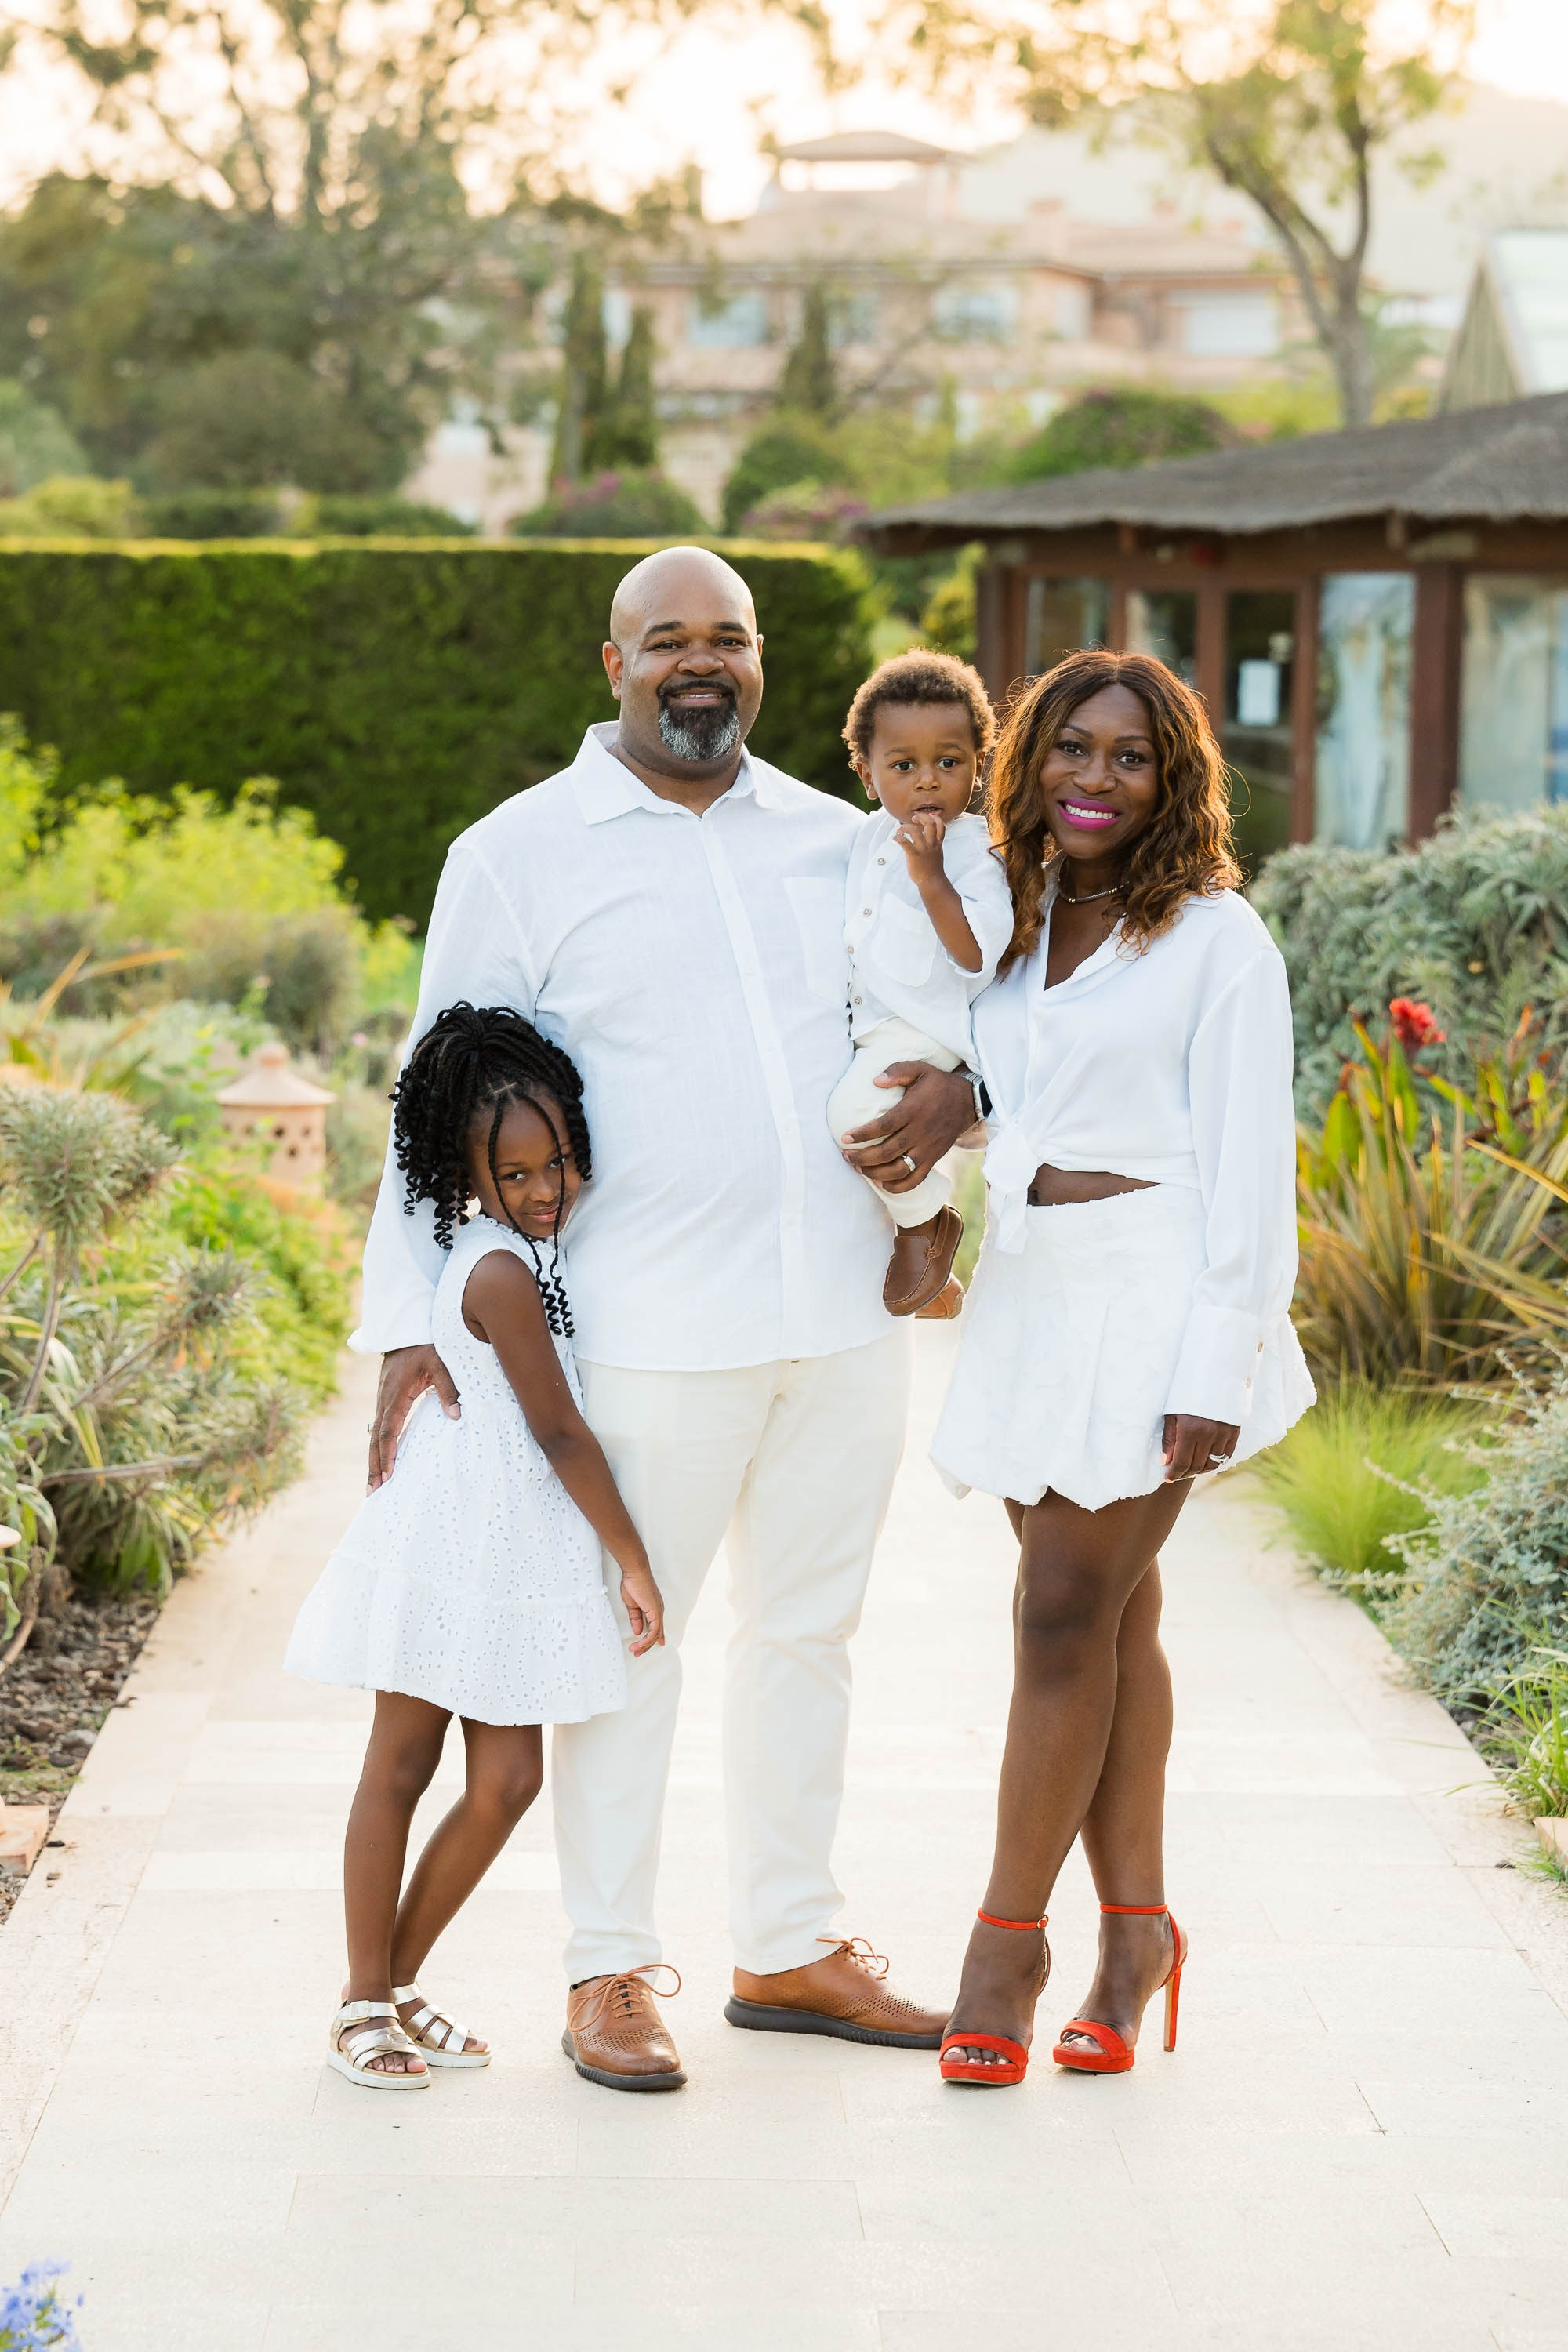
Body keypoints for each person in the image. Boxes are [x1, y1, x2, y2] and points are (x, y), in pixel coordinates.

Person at [357, 549, 981, 2091]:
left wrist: (953, 1154)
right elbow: (434, 1106)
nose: (699, 665)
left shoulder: (838, 842)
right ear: (614, 661)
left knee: (809, 1636)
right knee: (625, 1649)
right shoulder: (516, 854)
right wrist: (405, 1330)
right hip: (640, 1334)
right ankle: (607, 1970)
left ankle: (785, 1941)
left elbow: (911, 1022)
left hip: (839, 1318)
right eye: (667, 642)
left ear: (761, 661)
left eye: (729, 639)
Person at [932, 649, 1315, 2089]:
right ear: (1030, 762)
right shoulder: (1015, 923)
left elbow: (1252, 1169)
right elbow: (1005, 1086)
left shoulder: (1217, 941)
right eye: (1071, 750)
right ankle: (1138, 1934)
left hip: (1163, 1298)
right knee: (1113, 1620)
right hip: (1036, 1298)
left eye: (1130, 757)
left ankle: (1003, 1950)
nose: (1095, 778)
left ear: (1174, 782)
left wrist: (1220, 1354)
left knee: (1056, 1615)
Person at [287, 1004, 663, 2090]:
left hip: (517, 1546)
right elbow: (556, 1430)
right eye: (517, 1172)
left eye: (560, 1162)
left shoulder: (533, 1253)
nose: (547, 1189)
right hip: (460, 1535)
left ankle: (396, 1982)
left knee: (505, 1778)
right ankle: (359, 1999)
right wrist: (632, 1557)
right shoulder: (496, 1269)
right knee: (400, 1765)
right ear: (465, 1168)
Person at [828, 652, 1013, 1319]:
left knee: (853, 1122)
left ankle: (926, 1227)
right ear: (868, 776)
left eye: (950, 761)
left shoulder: (973, 851)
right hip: (873, 1023)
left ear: (978, 764)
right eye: (904, 766)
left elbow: (974, 957)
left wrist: (933, 876)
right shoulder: (864, 838)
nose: (928, 781)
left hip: (930, 1029)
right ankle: (933, 1275)